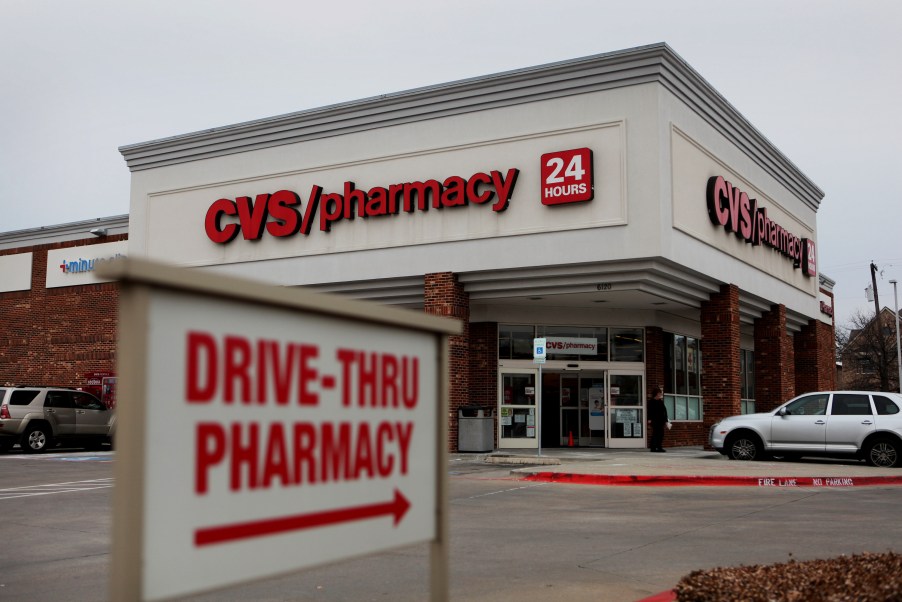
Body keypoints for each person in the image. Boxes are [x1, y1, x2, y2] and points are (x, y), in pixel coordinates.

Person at [647, 386, 668, 452]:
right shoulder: (651, 402)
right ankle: (653, 447)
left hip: (661, 420)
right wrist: (649, 419)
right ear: (656, 393)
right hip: (655, 420)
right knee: (655, 434)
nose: (660, 394)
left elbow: (664, 411)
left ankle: (659, 447)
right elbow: (649, 411)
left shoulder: (660, 401)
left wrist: (666, 420)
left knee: (661, 434)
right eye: (660, 393)